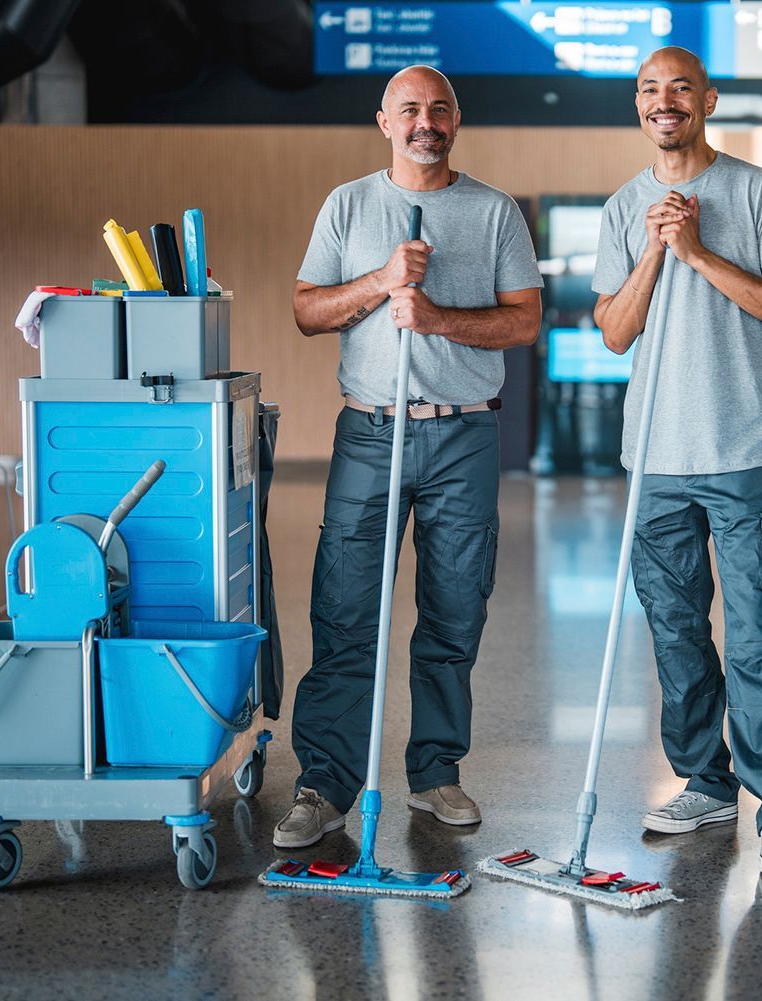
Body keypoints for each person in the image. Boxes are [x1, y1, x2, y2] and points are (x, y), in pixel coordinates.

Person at [275, 65, 543, 848]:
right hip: (369, 431)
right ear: (384, 121)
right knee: (346, 608)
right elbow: (306, 310)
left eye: (440, 108)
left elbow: (523, 323)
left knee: (456, 609)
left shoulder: (493, 213)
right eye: (411, 109)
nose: (426, 120)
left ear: (455, 121)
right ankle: (326, 781)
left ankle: (434, 772)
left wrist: (435, 317)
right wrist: (380, 281)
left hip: (464, 433)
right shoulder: (348, 205)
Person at [592, 47, 762, 876]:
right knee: (676, 633)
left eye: (680, 87)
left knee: (758, 638)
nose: (664, 101)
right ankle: (705, 780)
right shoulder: (623, 208)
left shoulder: (757, 192)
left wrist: (695, 252)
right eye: (650, 90)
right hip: (655, 456)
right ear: (638, 107)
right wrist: (655, 250)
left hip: (739, 451)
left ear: (708, 100)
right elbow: (615, 331)